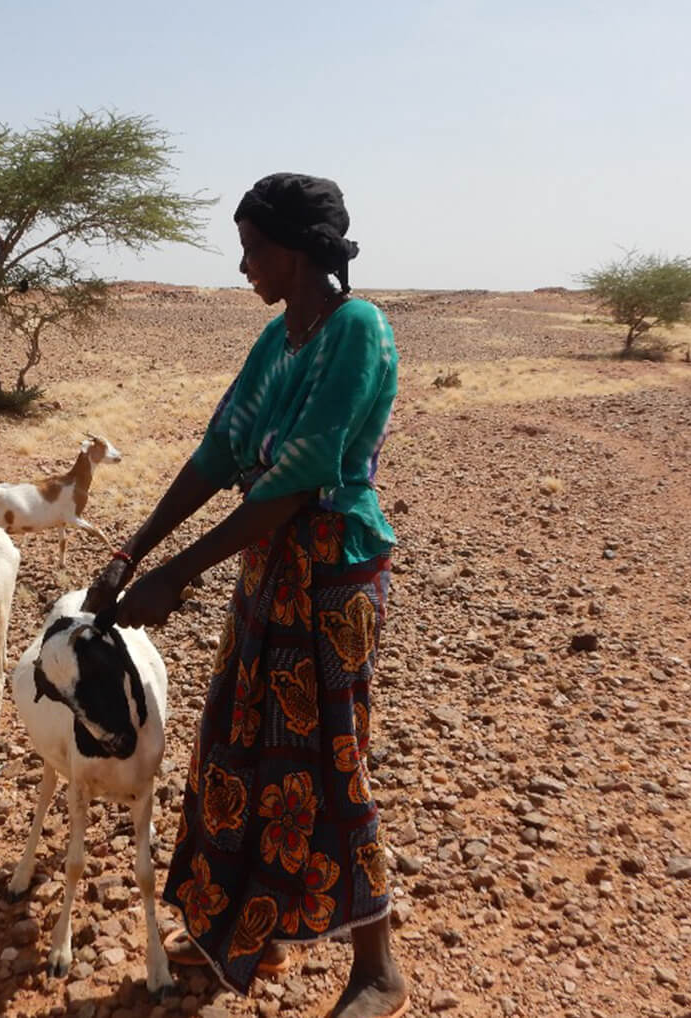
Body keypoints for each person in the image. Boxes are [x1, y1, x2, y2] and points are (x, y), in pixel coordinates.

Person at [83, 173, 408, 1018]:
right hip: (268, 569)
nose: (244, 265)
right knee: (241, 741)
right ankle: (247, 929)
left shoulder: (356, 331)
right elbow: (219, 451)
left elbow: (296, 482)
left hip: (332, 573)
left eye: (254, 247)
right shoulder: (280, 339)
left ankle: (377, 967)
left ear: (297, 249)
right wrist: (131, 552)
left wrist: (176, 574)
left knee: (331, 759)